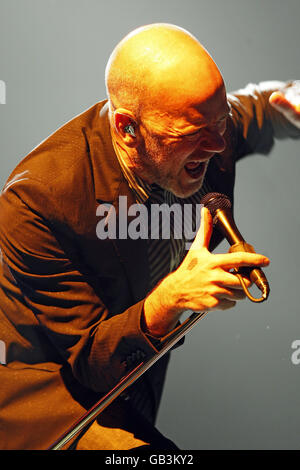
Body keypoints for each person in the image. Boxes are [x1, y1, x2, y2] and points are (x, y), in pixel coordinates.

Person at [0, 23, 299, 450]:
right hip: (53, 399)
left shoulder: (205, 126)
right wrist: (170, 297)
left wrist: (290, 98)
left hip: (132, 375)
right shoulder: (38, 200)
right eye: (196, 133)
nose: (217, 144)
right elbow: (86, 360)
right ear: (127, 129)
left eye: (222, 122)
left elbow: (264, 108)